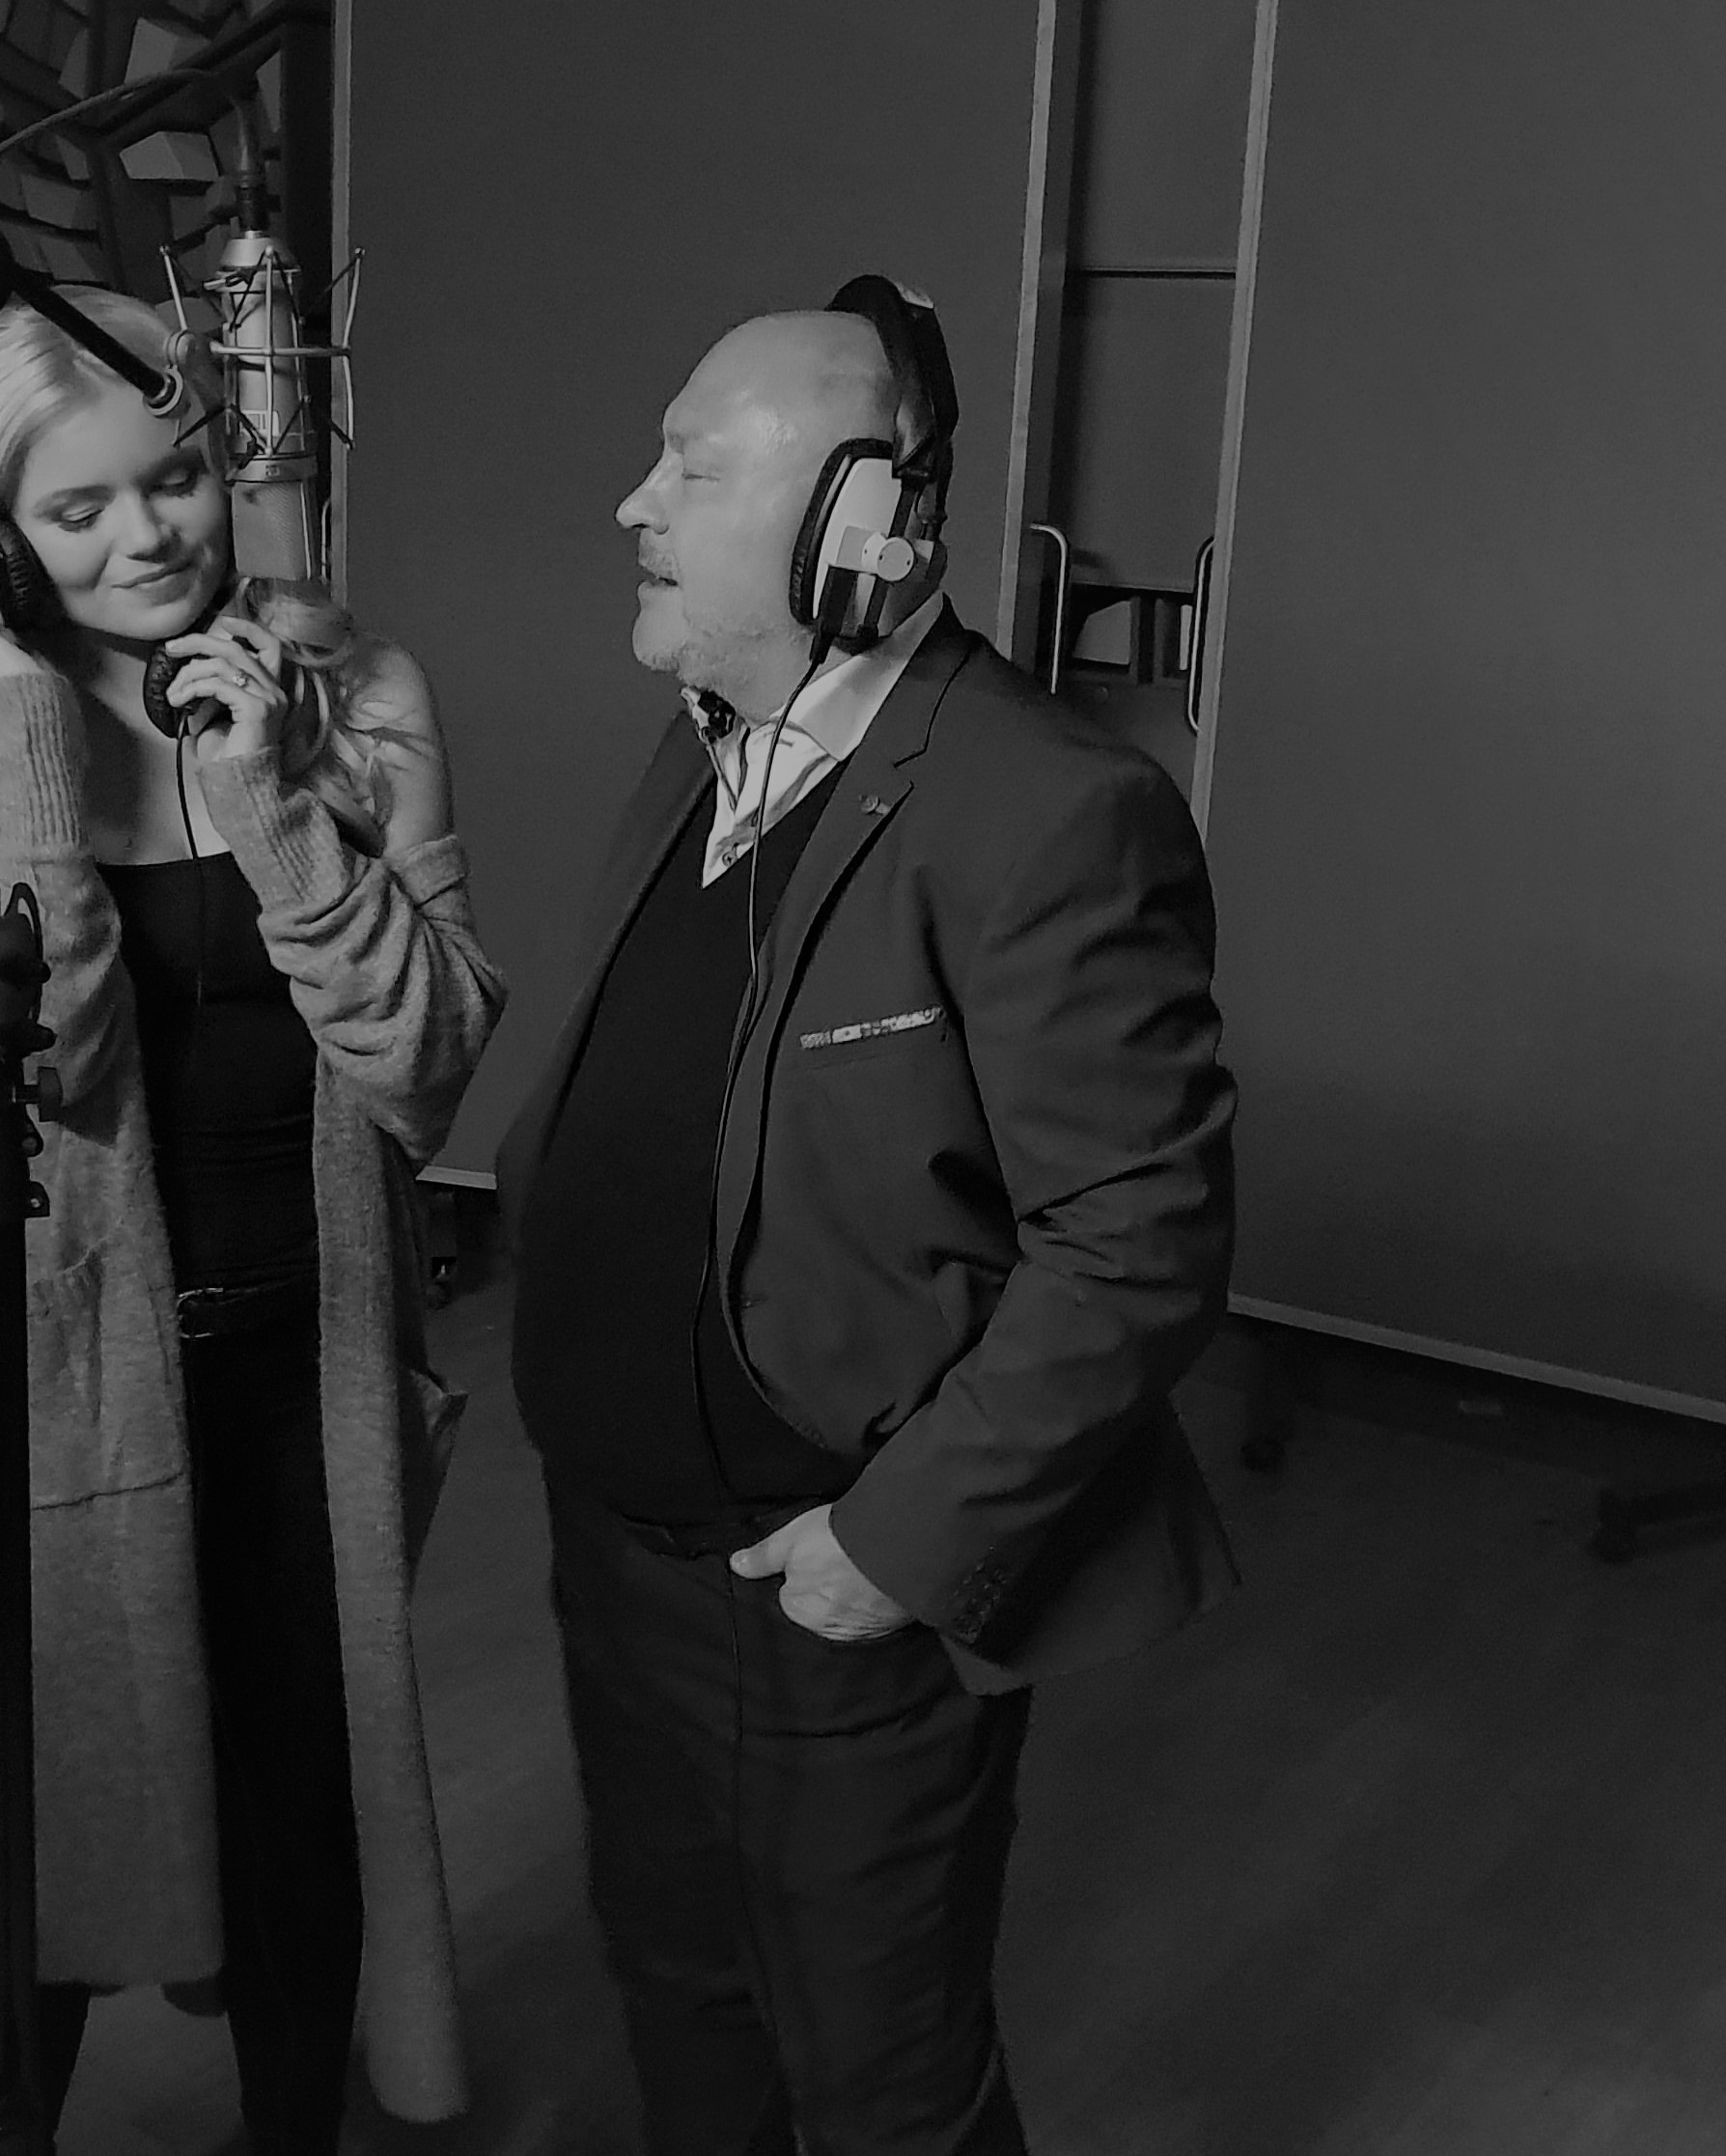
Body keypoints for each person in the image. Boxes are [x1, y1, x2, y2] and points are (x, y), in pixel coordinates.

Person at [496, 280, 1240, 2155]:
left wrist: (891, 1545)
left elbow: (1138, 1238)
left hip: (826, 1588)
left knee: (881, 2076)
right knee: (681, 1997)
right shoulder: (704, 746)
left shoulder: (1047, 810)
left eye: (691, 466)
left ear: (859, 526)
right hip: (620, 1557)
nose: (632, 502)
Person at [0, 286, 505, 2149]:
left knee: (302, 1802)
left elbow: (425, 1059)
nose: (151, 535)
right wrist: (26, 736)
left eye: (181, 475)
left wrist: (275, 803)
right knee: (40, 1806)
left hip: (311, 1355)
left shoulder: (357, 694)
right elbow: (50, 1066)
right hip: (69, 1369)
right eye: (78, 509)